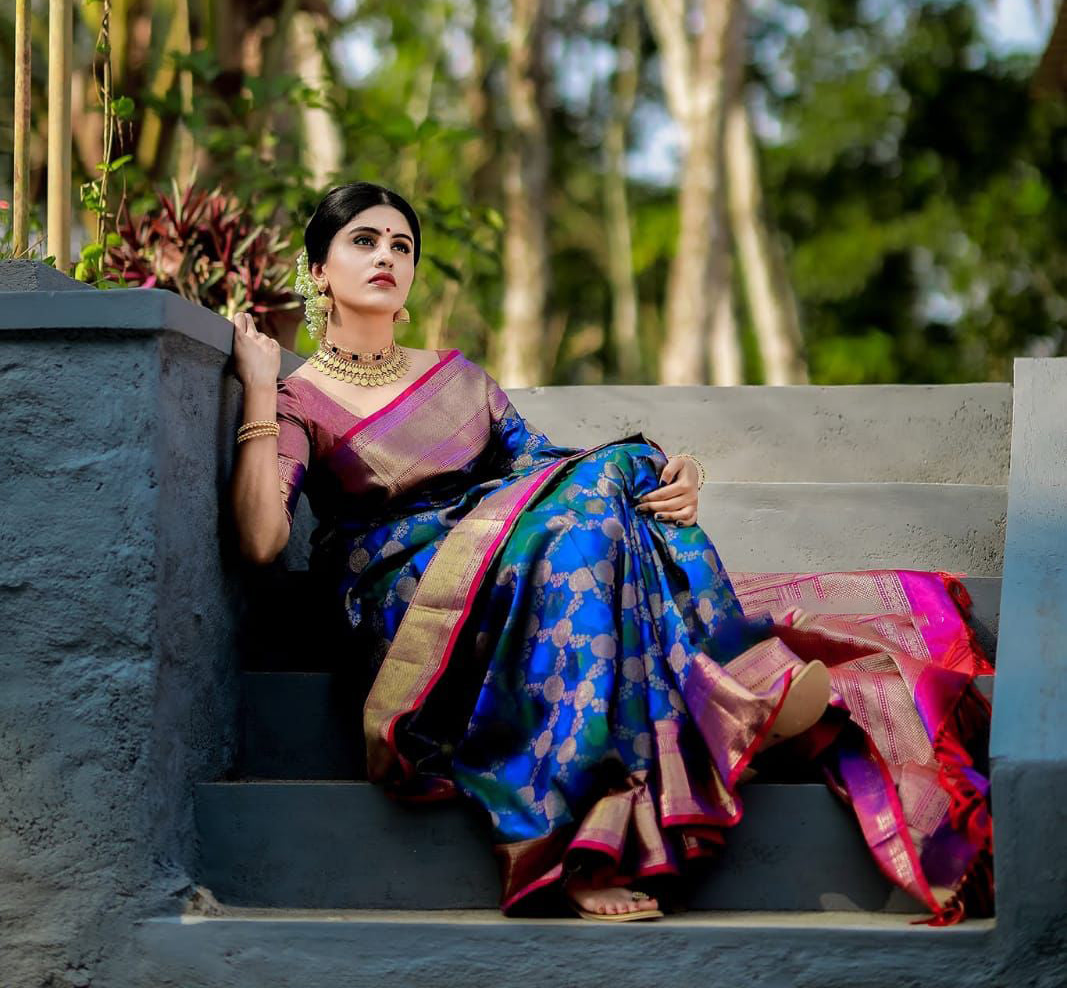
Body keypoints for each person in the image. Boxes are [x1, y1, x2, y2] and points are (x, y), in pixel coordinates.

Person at [230, 181, 993, 923]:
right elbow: (264, 541)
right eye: (362, 240)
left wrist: (673, 474)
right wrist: (263, 389)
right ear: (318, 269)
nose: (385, 256)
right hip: (417, 603)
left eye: (401, 244)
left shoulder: (457, 377)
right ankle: (702, 719)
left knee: (612, 490)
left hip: (518, 561)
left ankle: (667, 750)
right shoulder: (304, 400)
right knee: (587, 517)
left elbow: (544, 470)